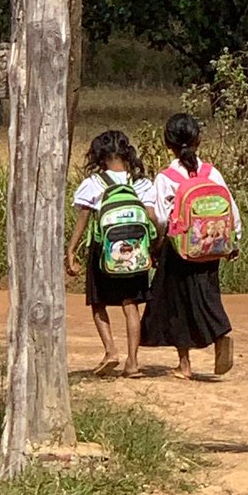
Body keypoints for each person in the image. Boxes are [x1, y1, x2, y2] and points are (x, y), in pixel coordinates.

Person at [140, 113, 241, 380]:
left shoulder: (166, 177)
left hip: (179, 251)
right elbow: (230, 208)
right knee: (208, 294)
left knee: (176, 305)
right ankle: (218, 335)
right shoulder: (212, 172)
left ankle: (186, 363)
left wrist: (156, 246)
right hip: (211, 246)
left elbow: (160, 218)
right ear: (198, 139)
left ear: (167, 143)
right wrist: (233, 241)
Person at [66, 130, 157, 379]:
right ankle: (133, 362)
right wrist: (155, 247)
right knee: (131, 306)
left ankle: (110, 351)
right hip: (136, 251)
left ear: (99, 156)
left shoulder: (94, 184)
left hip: (102, 251)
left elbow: (82, 222)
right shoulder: (141, 184)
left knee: (98, 303)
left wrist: (71, 250)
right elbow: (150, 217)